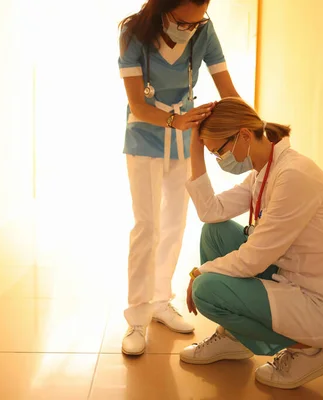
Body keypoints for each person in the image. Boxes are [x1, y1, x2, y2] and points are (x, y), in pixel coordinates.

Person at [180, 97, 323, 389]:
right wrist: (196, 145)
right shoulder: (263, 171)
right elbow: (210, 211)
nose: (221, 161)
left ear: (244, 135)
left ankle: (307, 350)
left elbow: (252, 260)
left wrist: (198, 273)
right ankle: (234, 339)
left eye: (220, 151)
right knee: (214, 232)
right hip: (293, 280)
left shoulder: (293, 175)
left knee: (206, 289)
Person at [117, 0, 240, 356]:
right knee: (147, 226)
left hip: (185, 139)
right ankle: (136, 317)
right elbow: (139, 105)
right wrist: (174, 121)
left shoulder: (203, 30)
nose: (189, 28)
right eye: (183, 22)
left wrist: (255, 127)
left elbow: (227, 89)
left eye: (196, 21)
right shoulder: (133, 33)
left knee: (174, 224)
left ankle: (159, 301)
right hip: (144, 136)